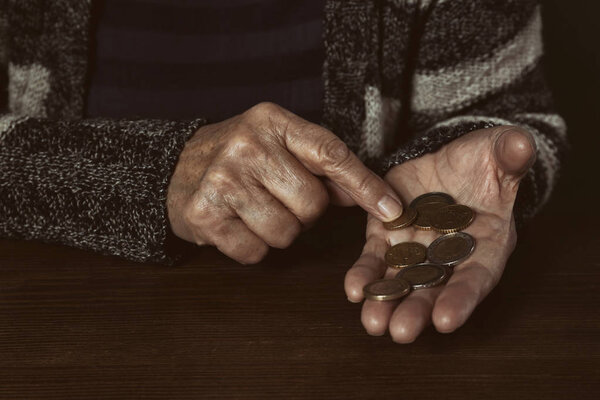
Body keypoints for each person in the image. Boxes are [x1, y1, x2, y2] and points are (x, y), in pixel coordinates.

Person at [0, 0, 567, 343]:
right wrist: (151, 172)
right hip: (52, 334)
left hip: (333, 342)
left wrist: (471, 156)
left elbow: (511, 114)